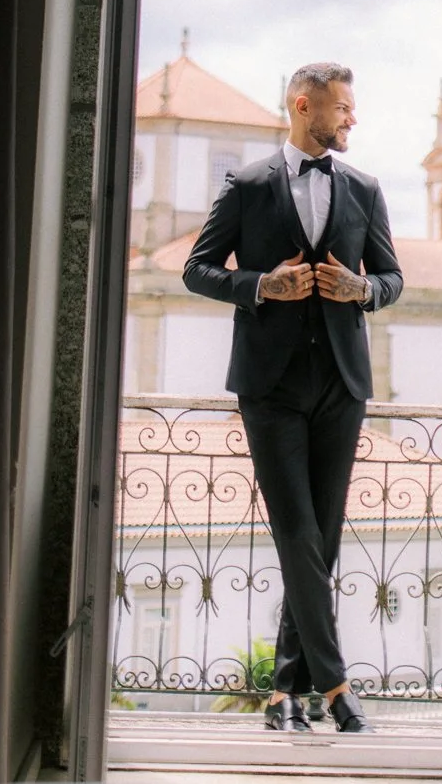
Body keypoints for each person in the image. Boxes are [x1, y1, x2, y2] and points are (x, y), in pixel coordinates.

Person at [183, 62, 403, 734]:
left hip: (343, 383)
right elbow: (197, 268)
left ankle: (284, 688)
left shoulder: (364, 187)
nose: (351, 119)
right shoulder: (246, 185)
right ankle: (335, 687)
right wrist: (258, 285)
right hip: (270, 387)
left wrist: (362, 290)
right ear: (303, 105)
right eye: (342, 108)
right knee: (298, 531)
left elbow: (392, 277)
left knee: (323, 537)